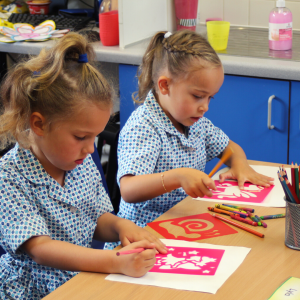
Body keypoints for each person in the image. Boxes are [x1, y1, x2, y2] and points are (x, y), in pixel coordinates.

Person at [0, 32, 167, 300]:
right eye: (80, 137)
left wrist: (122, 227)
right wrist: (114, 261)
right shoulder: (8, 177)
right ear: (39, 124)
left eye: (95, 137)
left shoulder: (79, 161)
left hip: (82, 281)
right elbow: (41, 250)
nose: (91, 148)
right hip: (34, 293)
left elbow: (97, 218)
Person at [105, 30, 274, 250]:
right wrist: (178, 177)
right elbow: (128, 190)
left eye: (209, 97)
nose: (205, 106)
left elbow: (230, 148)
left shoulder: (194, 120)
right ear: (165, 85)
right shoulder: (144, 127)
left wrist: (240, 165)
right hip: (143, 238)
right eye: (197, 96)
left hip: (184, 225)